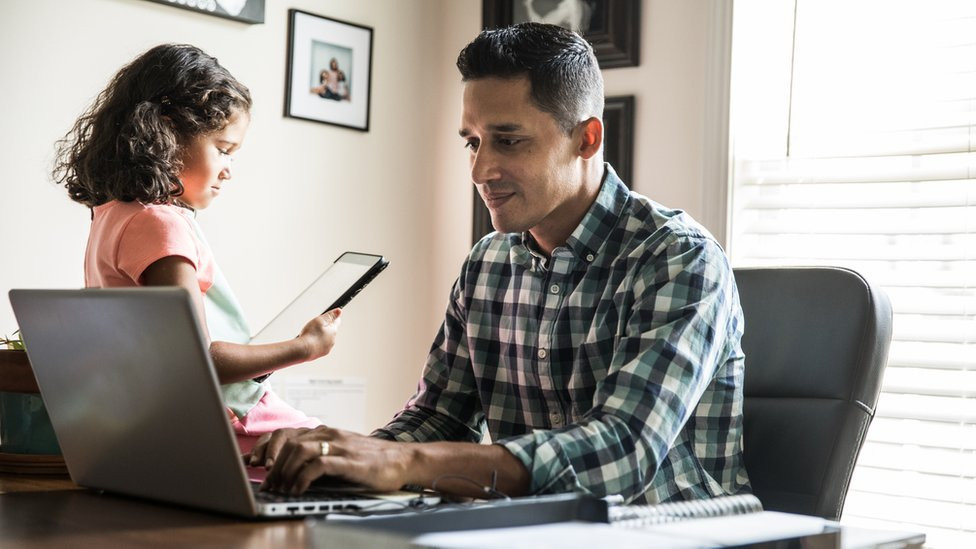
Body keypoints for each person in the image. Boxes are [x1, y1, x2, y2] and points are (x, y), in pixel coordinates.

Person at [251, 22, 750, 505]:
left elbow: (623, 453)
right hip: (529, 532)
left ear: (587, 139)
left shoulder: (678, 256)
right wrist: (343, 458)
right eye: (472, 141)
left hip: (668, 533)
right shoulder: (487, 262)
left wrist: (404, 464)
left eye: (508, 140)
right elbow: (442, 417)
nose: (480, 170)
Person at [51, 44, 341, 453]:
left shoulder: (110, 215)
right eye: (223, 149)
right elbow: (195, 361)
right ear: (166, 132)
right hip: (232, 419)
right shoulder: (160, 224)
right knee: (349, 456)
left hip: (146, 426)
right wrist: (305, 347)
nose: (228, 170)